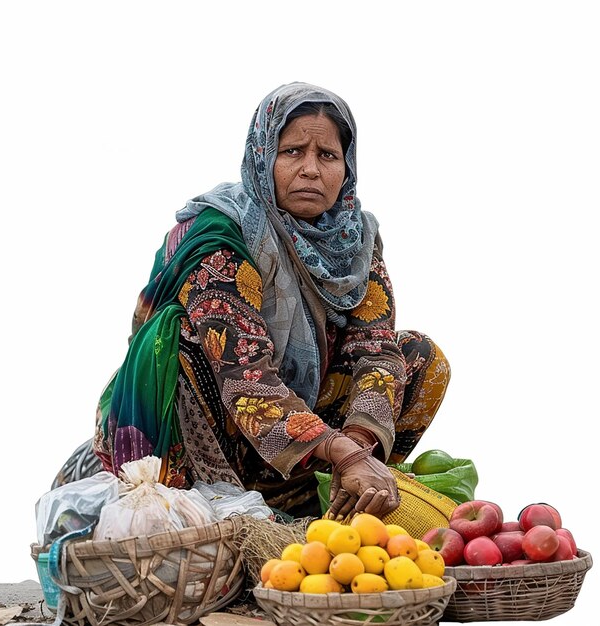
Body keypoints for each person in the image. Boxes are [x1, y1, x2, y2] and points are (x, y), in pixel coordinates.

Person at [93, 82, 451, 521]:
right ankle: (213, 508)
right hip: (212, 423)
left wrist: (358, 445)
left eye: (327, 155)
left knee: (419, 357)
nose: (310, 170)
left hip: (301, 443)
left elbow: (374, 347)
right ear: (263, 156)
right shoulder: (220, 235)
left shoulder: (355, 243)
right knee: (182, 347)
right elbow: (243, 376)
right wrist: (342, 450)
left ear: (347, 167)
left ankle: (324, 500)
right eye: (293, 151)